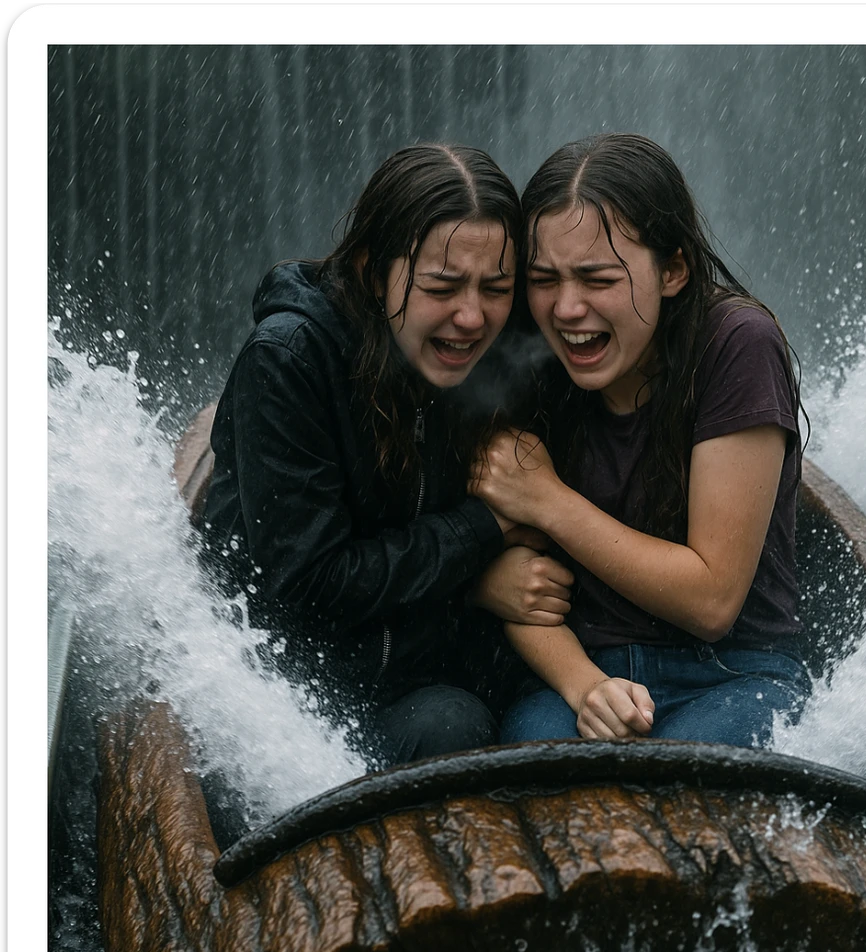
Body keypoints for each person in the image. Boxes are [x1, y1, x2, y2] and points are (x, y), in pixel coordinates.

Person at [202, 143, 573, 769]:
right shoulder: (291, 361)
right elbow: (309, 587)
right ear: (376, 272)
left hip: (425, 656)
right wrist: (483, 543)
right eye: (441, 285)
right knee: (453, 728)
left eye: (497, 288)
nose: (471, 316)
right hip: (302, 686)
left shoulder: (500, 346)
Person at [469, 133, 811, 749]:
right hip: (578, 670)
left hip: (735, 673)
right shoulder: (529, 353)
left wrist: (548, 500)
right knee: (543, 785)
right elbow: (522, 590)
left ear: (673, 269)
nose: (567, 308)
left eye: (597, 278)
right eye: (544, 279)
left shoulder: (736, 345)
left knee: (684, 790)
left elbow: (712, 601)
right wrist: (585, 687)